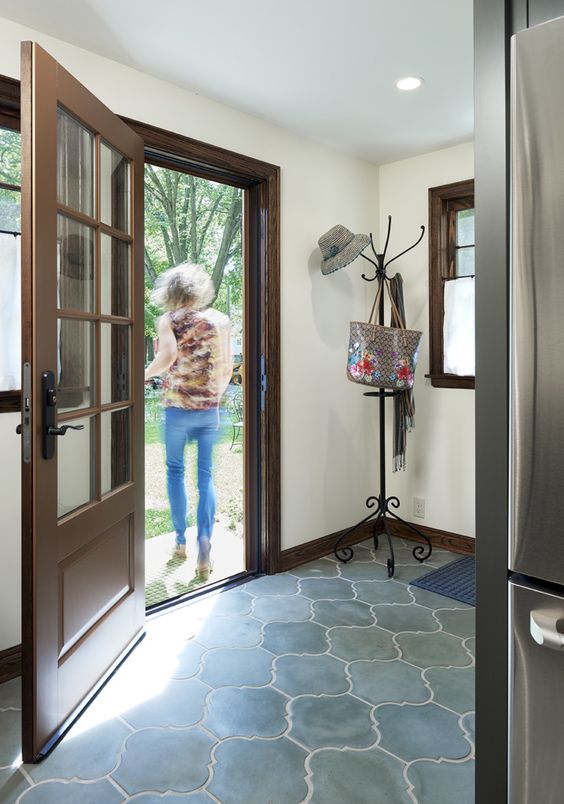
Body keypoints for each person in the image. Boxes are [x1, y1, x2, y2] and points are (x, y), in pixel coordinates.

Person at [144, 263, 232, 583]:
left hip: (177, 410)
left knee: (176, 472)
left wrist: (143, 375)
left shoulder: (168, 319)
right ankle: (204, 546)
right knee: (206, 477)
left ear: (170, 292)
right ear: (199, 290)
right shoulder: (219, 320)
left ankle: (180, 540)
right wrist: (213, 398)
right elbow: (226, 366)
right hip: (209, 410)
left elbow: (167, 356)